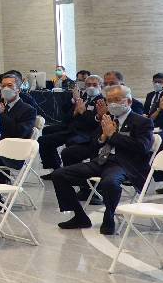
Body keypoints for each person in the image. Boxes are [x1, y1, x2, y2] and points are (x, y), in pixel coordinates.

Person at [46, 84, 155, 235]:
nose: (113, 104)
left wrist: (113, 136)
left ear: (129, 101)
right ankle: (80, 216)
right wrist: (102, 137)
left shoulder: (142, 122)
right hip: (102, 160)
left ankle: (108, 218)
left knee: (110, 182)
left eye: (117, 99)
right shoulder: (107, 119)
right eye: (109, 100)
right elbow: (93, 144)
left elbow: (142, 147)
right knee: (59, 175)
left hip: (124, 164)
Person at [0, 72, 37, 191]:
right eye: (3, 86)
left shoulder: (28, 110)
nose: (5, 89)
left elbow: (20, 133)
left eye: (10, 86)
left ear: (18, 90)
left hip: (14, 153)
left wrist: (1, 115)